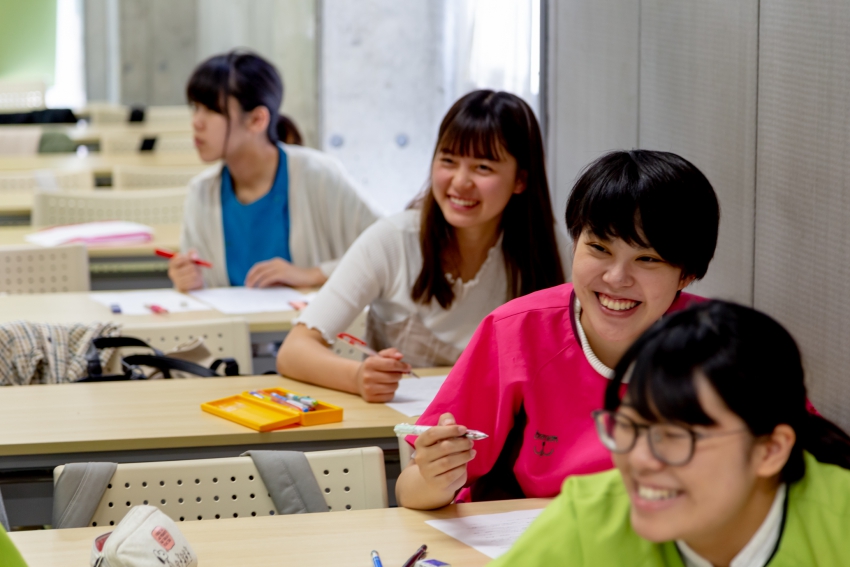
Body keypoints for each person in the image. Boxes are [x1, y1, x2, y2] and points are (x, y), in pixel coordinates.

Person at [396, 150, 721, 510]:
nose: (615, 278)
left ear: (687, 274)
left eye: (647, 259)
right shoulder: (517, 332)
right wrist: (434, 477)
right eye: (598, 248)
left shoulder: (724, 346)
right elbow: (411, 489)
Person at [495, 300, 850, 566]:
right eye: (631, 427)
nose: (641, 460)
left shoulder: (838, 522)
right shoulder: (589, 518)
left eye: (678, 438)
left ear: (770, 450)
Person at [277, 90, 570, 401]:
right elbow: (294, 351)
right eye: (448, 161)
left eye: (483, 167)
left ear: (521, 180)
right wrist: (359, 376)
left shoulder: (548, 251)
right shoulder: (393, 239)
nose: (460, 181)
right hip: (396, 438)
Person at [169, 51, 378, 291]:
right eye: (195, 108)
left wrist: (311, 275)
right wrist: (191, 280)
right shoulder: (202, 191)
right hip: (237, 329)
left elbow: (388, 250)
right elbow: (207, 285)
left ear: (257, 120)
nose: (196, 121)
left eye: (212, 110)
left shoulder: (318, 175)